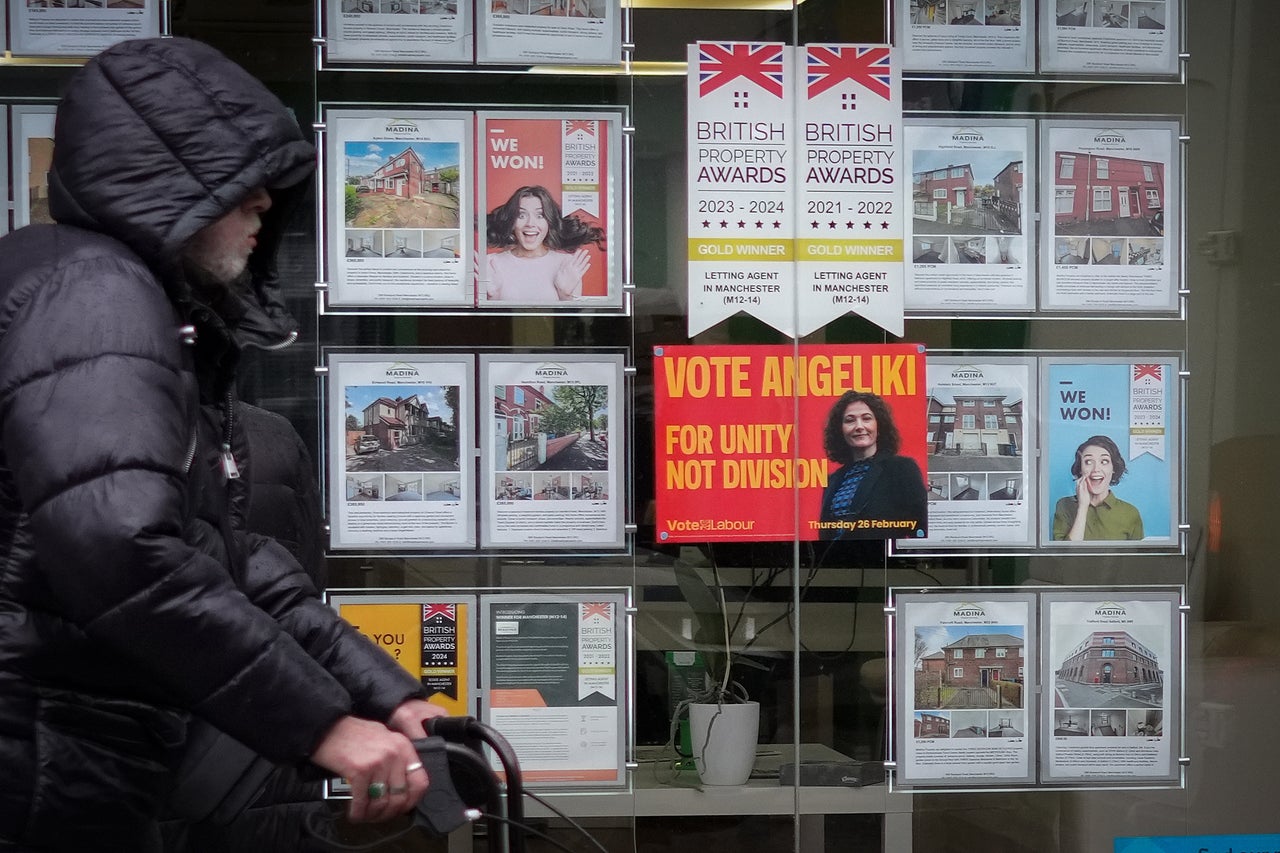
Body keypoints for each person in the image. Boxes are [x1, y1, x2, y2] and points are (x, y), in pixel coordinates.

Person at [0, 38, 445, 851]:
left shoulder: (109, 293)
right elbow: (117, 542)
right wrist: (322, 726)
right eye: (245, 185)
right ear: (175, 183)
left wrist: (381, 693)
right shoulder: (96, 294)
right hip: (42, 749)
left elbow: (218, 555)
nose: (268, 205)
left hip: (65, 746)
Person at [818, 391, 928, 540]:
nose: (859, 426)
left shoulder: (901, 469)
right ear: (840, 430)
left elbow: (921, 524)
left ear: (879, 425)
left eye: (866, 418)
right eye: (850, 420)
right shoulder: (833, 480)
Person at [485, 184, 604, 302]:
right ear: (511, 221)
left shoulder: (567, 264)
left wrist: (565, 295)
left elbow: (574, 320)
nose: (530, 223)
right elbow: (489, 320)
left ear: (549, 221)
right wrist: (493, 297)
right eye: (521, 215)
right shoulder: (491, 263)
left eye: (540, 215)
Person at [1052, 434, 1145, 541]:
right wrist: (1082, 507)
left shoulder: (1130, 512)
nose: (1096, 469)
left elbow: (1138, 557)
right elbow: (1064, 556)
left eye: (1104, 461)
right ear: (1080, 469)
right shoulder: (1064, 505)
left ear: (1113, 468)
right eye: (1088, 462)